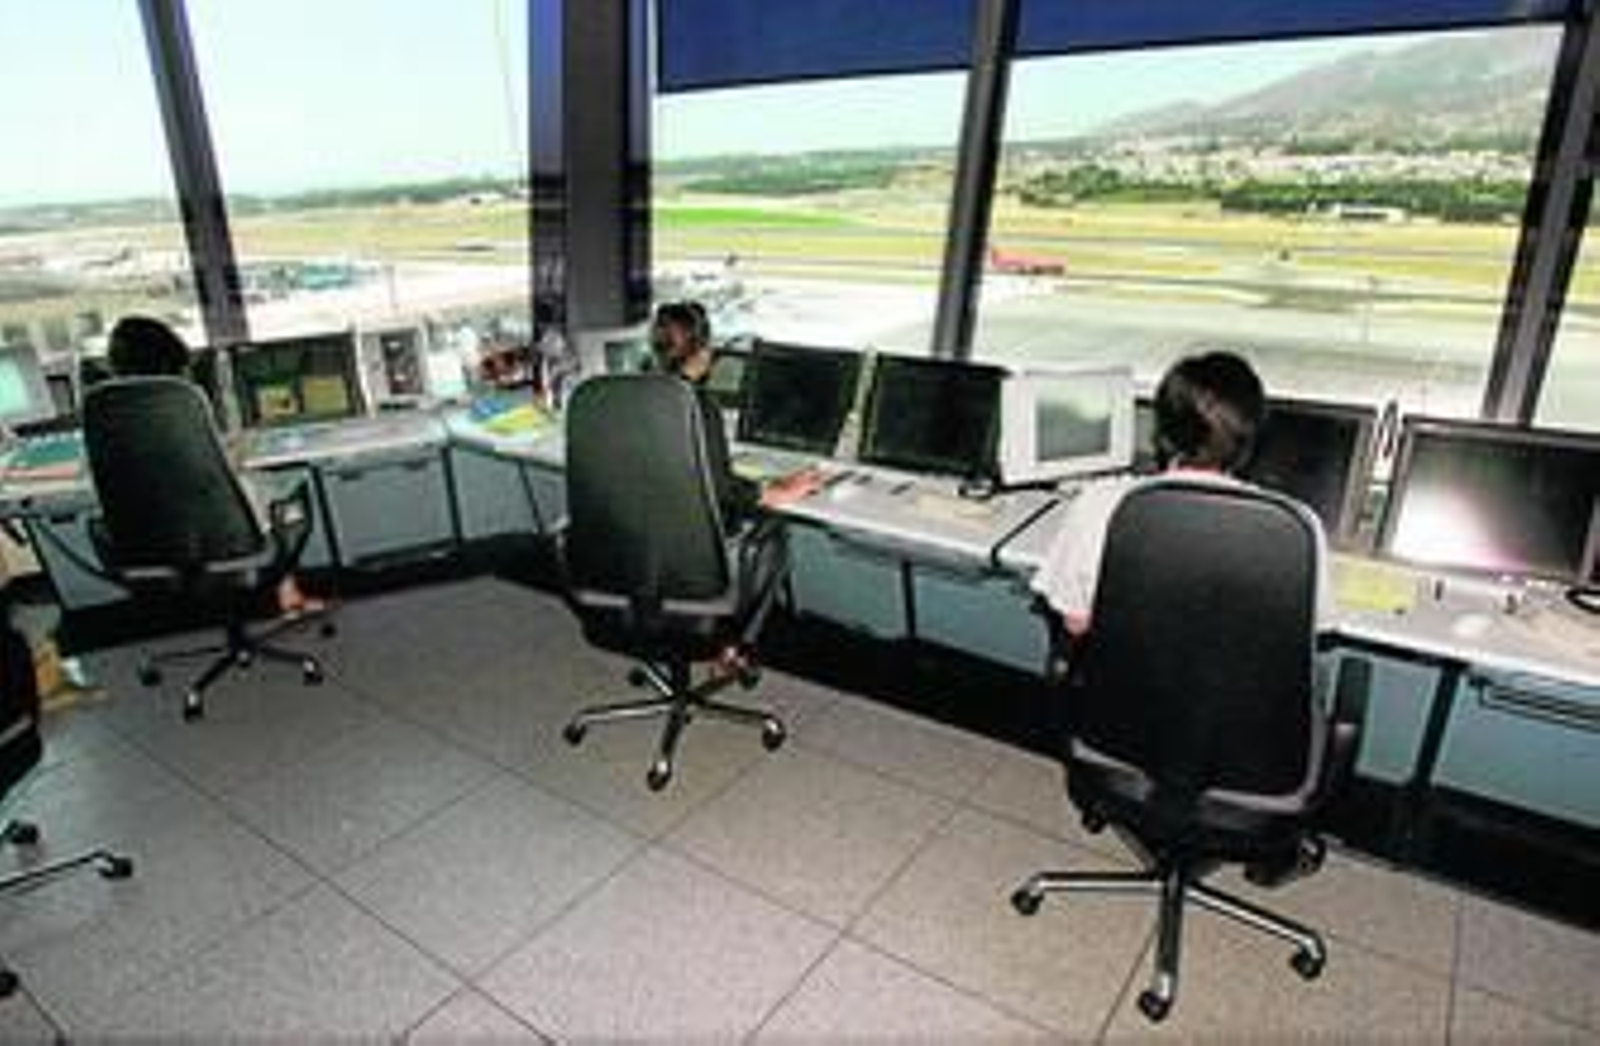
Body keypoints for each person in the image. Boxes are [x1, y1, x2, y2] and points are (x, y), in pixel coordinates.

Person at [1031, 350, 1330, 639]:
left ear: (1161, 432)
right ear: (1248, 440)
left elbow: (1076, 623)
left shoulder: (1099, 504)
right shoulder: (1297, 529)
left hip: (1123, 673)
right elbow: (1309, 632)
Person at [105, 315, 325, 618]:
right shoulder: (177, 401)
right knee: (273, 486)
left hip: (146, 535)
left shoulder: (105, 407)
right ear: (170, 357)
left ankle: (268, 594)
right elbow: (210, 467)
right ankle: (288, 595)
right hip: (215, 528)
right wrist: (240, 448)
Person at [648, 302, 821, 676]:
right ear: (703, 350)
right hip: (692, 556)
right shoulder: (696, 406)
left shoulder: (636, 395)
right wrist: (774, 494)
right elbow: (721, 490)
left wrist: (763, 485)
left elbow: (693, 474)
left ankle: (699, 636)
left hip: (639, 550)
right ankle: (729, 648)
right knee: (774, 536)